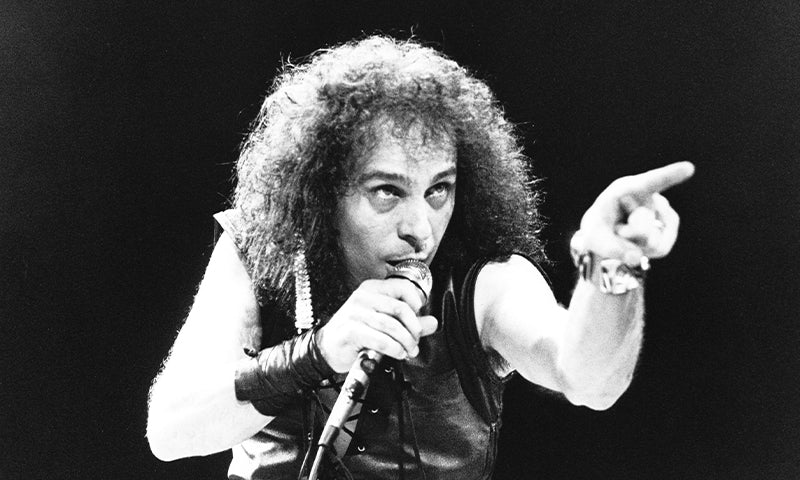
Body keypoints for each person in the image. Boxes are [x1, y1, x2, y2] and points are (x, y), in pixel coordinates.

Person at [146, 36, 694, 479]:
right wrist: (318, 353)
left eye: (438, 190)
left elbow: (589, 381)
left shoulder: (485, 282)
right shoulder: (260, 252)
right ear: (323, 191)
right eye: (387, 191)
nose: (420, 228)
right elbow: (170, 432)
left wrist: (611, 270)